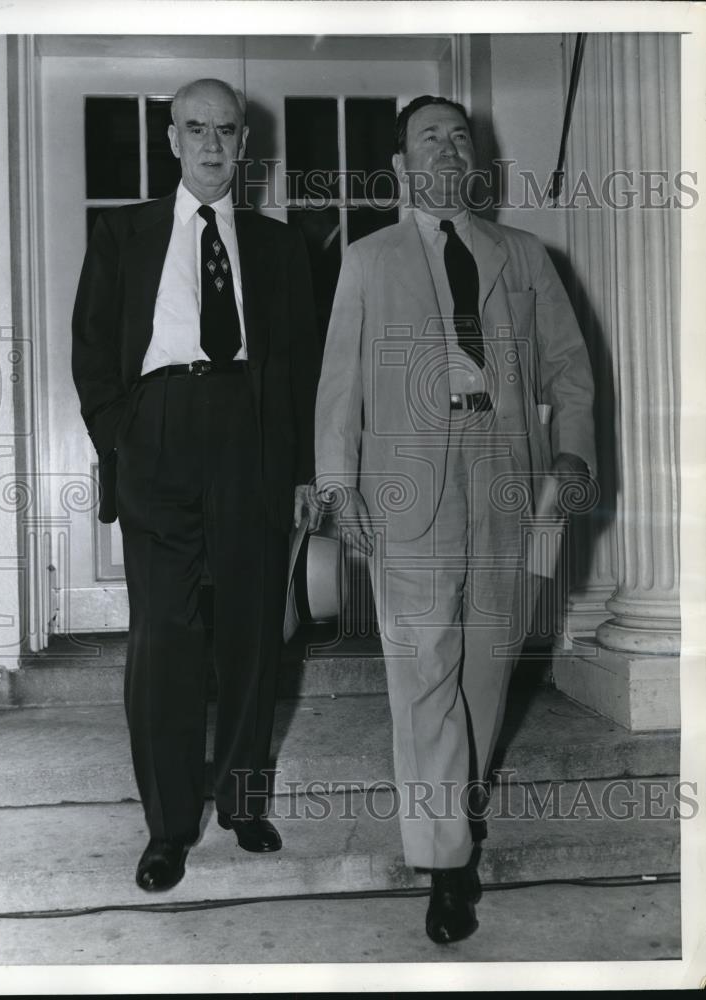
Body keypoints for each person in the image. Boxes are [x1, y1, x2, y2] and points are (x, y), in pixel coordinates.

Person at [314, 96, 595, 943]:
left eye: (458, 136)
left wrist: (573, 456)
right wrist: (337, 482)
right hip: (405, 486)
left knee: (487, 663)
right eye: (427, 138)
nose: (446, 148)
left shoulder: (522, 256)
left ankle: (457, 805)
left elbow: (568, 367)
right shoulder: (366, 259)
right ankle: (445, 863)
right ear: (400, 165)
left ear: (475, 160)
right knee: (423, 669)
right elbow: (340, 382)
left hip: (505, 476)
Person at [72, 78, 320, 892]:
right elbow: (93, 351)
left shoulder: (281, 247)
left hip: (250, 435)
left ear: (244, 143)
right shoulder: (123, 233)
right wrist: (124, 438)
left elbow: (302, 372)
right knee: (166, 640)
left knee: (252, 633)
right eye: (195, 129)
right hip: (161, 431)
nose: (212, 143)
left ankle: (242, 802)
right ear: (171, 141)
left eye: (227, 130)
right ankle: (169, 826)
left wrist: (302, 470)